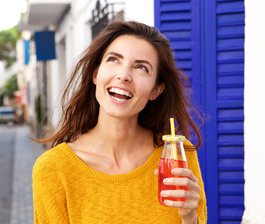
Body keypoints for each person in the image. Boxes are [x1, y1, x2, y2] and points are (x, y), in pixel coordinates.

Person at [32, 20, 207, 224]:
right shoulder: (54, 169)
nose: (123, 75)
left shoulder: (177, 153)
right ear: (95, 73)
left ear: (156, 90)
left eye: (141, 67)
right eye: (114, 59)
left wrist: (189, 217)